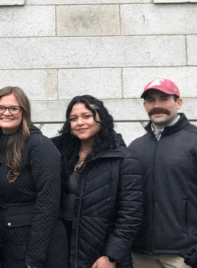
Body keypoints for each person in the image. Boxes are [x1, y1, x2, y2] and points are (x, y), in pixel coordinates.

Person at [129, 79, 197, 268]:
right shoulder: (135, 148)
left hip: (187, 255)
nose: (157, 105)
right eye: (151, 100)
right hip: (140, 255)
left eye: (164, 99)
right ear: (145, 105)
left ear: (178, 102)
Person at [52, 96, 143, 268]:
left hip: (101, 253)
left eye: (87, 116)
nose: (80, 122)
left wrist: (111, 256)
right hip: (64, 248)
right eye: (73, 119)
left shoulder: (123, 159)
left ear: (101, 118)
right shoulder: (61, 154)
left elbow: (131, 215)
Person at [0, 86, 67, 268]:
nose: (7, 113)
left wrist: (35, 257)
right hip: (5, 245)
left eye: (14, 108)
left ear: (24, 112)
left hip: (34, 249)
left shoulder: (39, 146)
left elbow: (48, 202)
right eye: (1, 107)